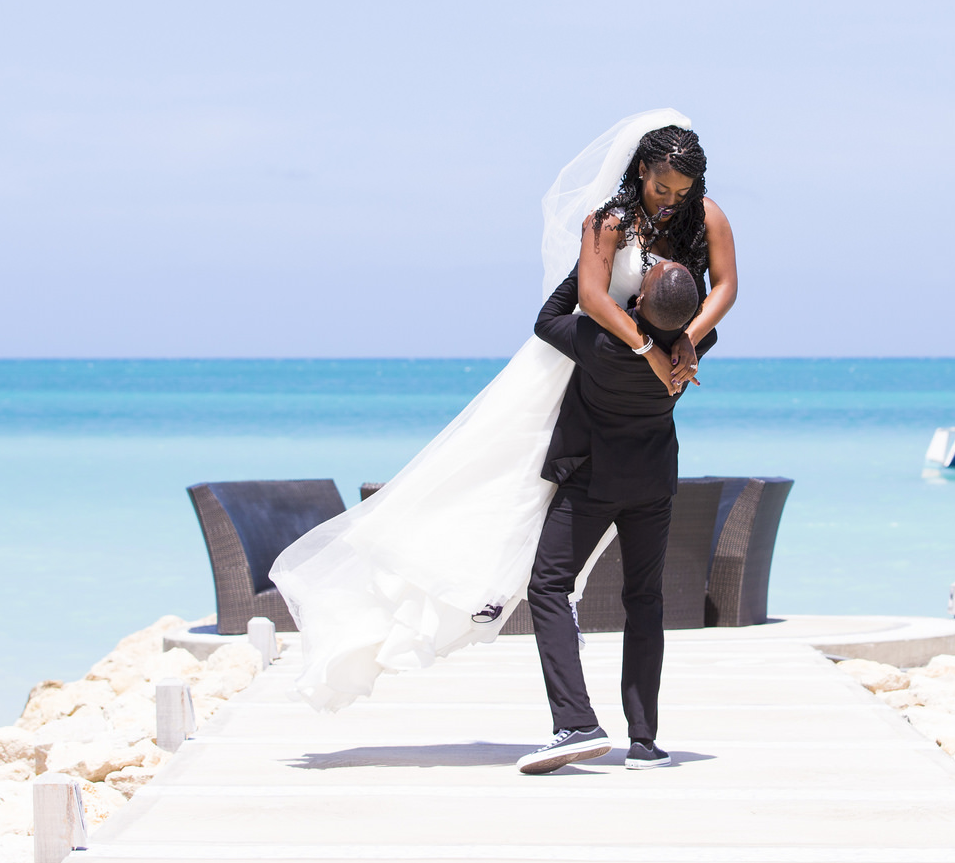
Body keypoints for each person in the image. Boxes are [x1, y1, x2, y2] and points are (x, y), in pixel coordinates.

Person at [268, 109, 738, 715]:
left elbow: (723, 286)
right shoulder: (610, 223)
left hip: (617, 363)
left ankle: (581, 719)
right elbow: (593, 298)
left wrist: (686, 339)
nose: (671, 203)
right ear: (640, 170)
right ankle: (618, 723)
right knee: (502, 473)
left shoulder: (705, 216)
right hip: (598, 352)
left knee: (564, 566)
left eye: (682, 192)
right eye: (661, 188)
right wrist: (649, 346)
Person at [513, 258, 713, 774]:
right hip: (654, 484)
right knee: (645, 599)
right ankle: (644, 742)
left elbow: (548, 316)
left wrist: (592, 264)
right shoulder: (694, 348)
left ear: (638, 301)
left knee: (549, 585)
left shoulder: (598, 340)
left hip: (594, 482)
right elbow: (701, 311)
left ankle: (576, 722)